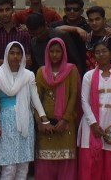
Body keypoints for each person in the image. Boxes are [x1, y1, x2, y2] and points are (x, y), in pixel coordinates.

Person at [0, 41, 50, 180]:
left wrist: (44, 118)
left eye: (18, 53)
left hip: (25, 121)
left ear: (23, 56)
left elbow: (35, 98)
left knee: (23, 167)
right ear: (6, 55)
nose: (15, 56)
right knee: (9, 167)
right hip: (6, 122)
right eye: (12, 53)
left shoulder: (28, 75)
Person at [77, 40, 111, 180]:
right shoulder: (88, 76)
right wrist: (93, 124)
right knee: (90, 166)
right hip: (91, 126)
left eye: (104, 51)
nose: (101, 55)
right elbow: (84, 101)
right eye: (97, 52)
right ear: (94, 55)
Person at [34, 38, 80, 179]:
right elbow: (36, 99)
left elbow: (73, 96)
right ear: (47, 53)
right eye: (52, 51)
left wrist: (65, 120)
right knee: (45, 163)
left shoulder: (71, 70)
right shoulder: (41, 72)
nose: (54, 55)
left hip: (66, 125)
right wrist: (42, 122)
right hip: (46, 125)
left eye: (58, 51)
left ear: (63, 52)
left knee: (66, 160)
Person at [0, 0, 32, 69]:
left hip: (19, 73)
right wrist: (15, 62)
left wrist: (2, 62)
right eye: (1, 10)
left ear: (13, 10)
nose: (5, 13)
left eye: (7, 9)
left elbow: (28, 61)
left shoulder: (23, 33)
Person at [51, 0, 90, 75]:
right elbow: (55, 30)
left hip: (83, 71)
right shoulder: (55, 25)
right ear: (65, 10)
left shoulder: (88, 27)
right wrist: (76, 29)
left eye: (76, 9)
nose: (72, 12)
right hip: (60, 71)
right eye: (69, 9)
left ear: (81, 11)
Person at [84, 5, 111, 70]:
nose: (94, 23)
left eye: (97, 19)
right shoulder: (85, 38)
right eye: (91, 20)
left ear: (104, 20)